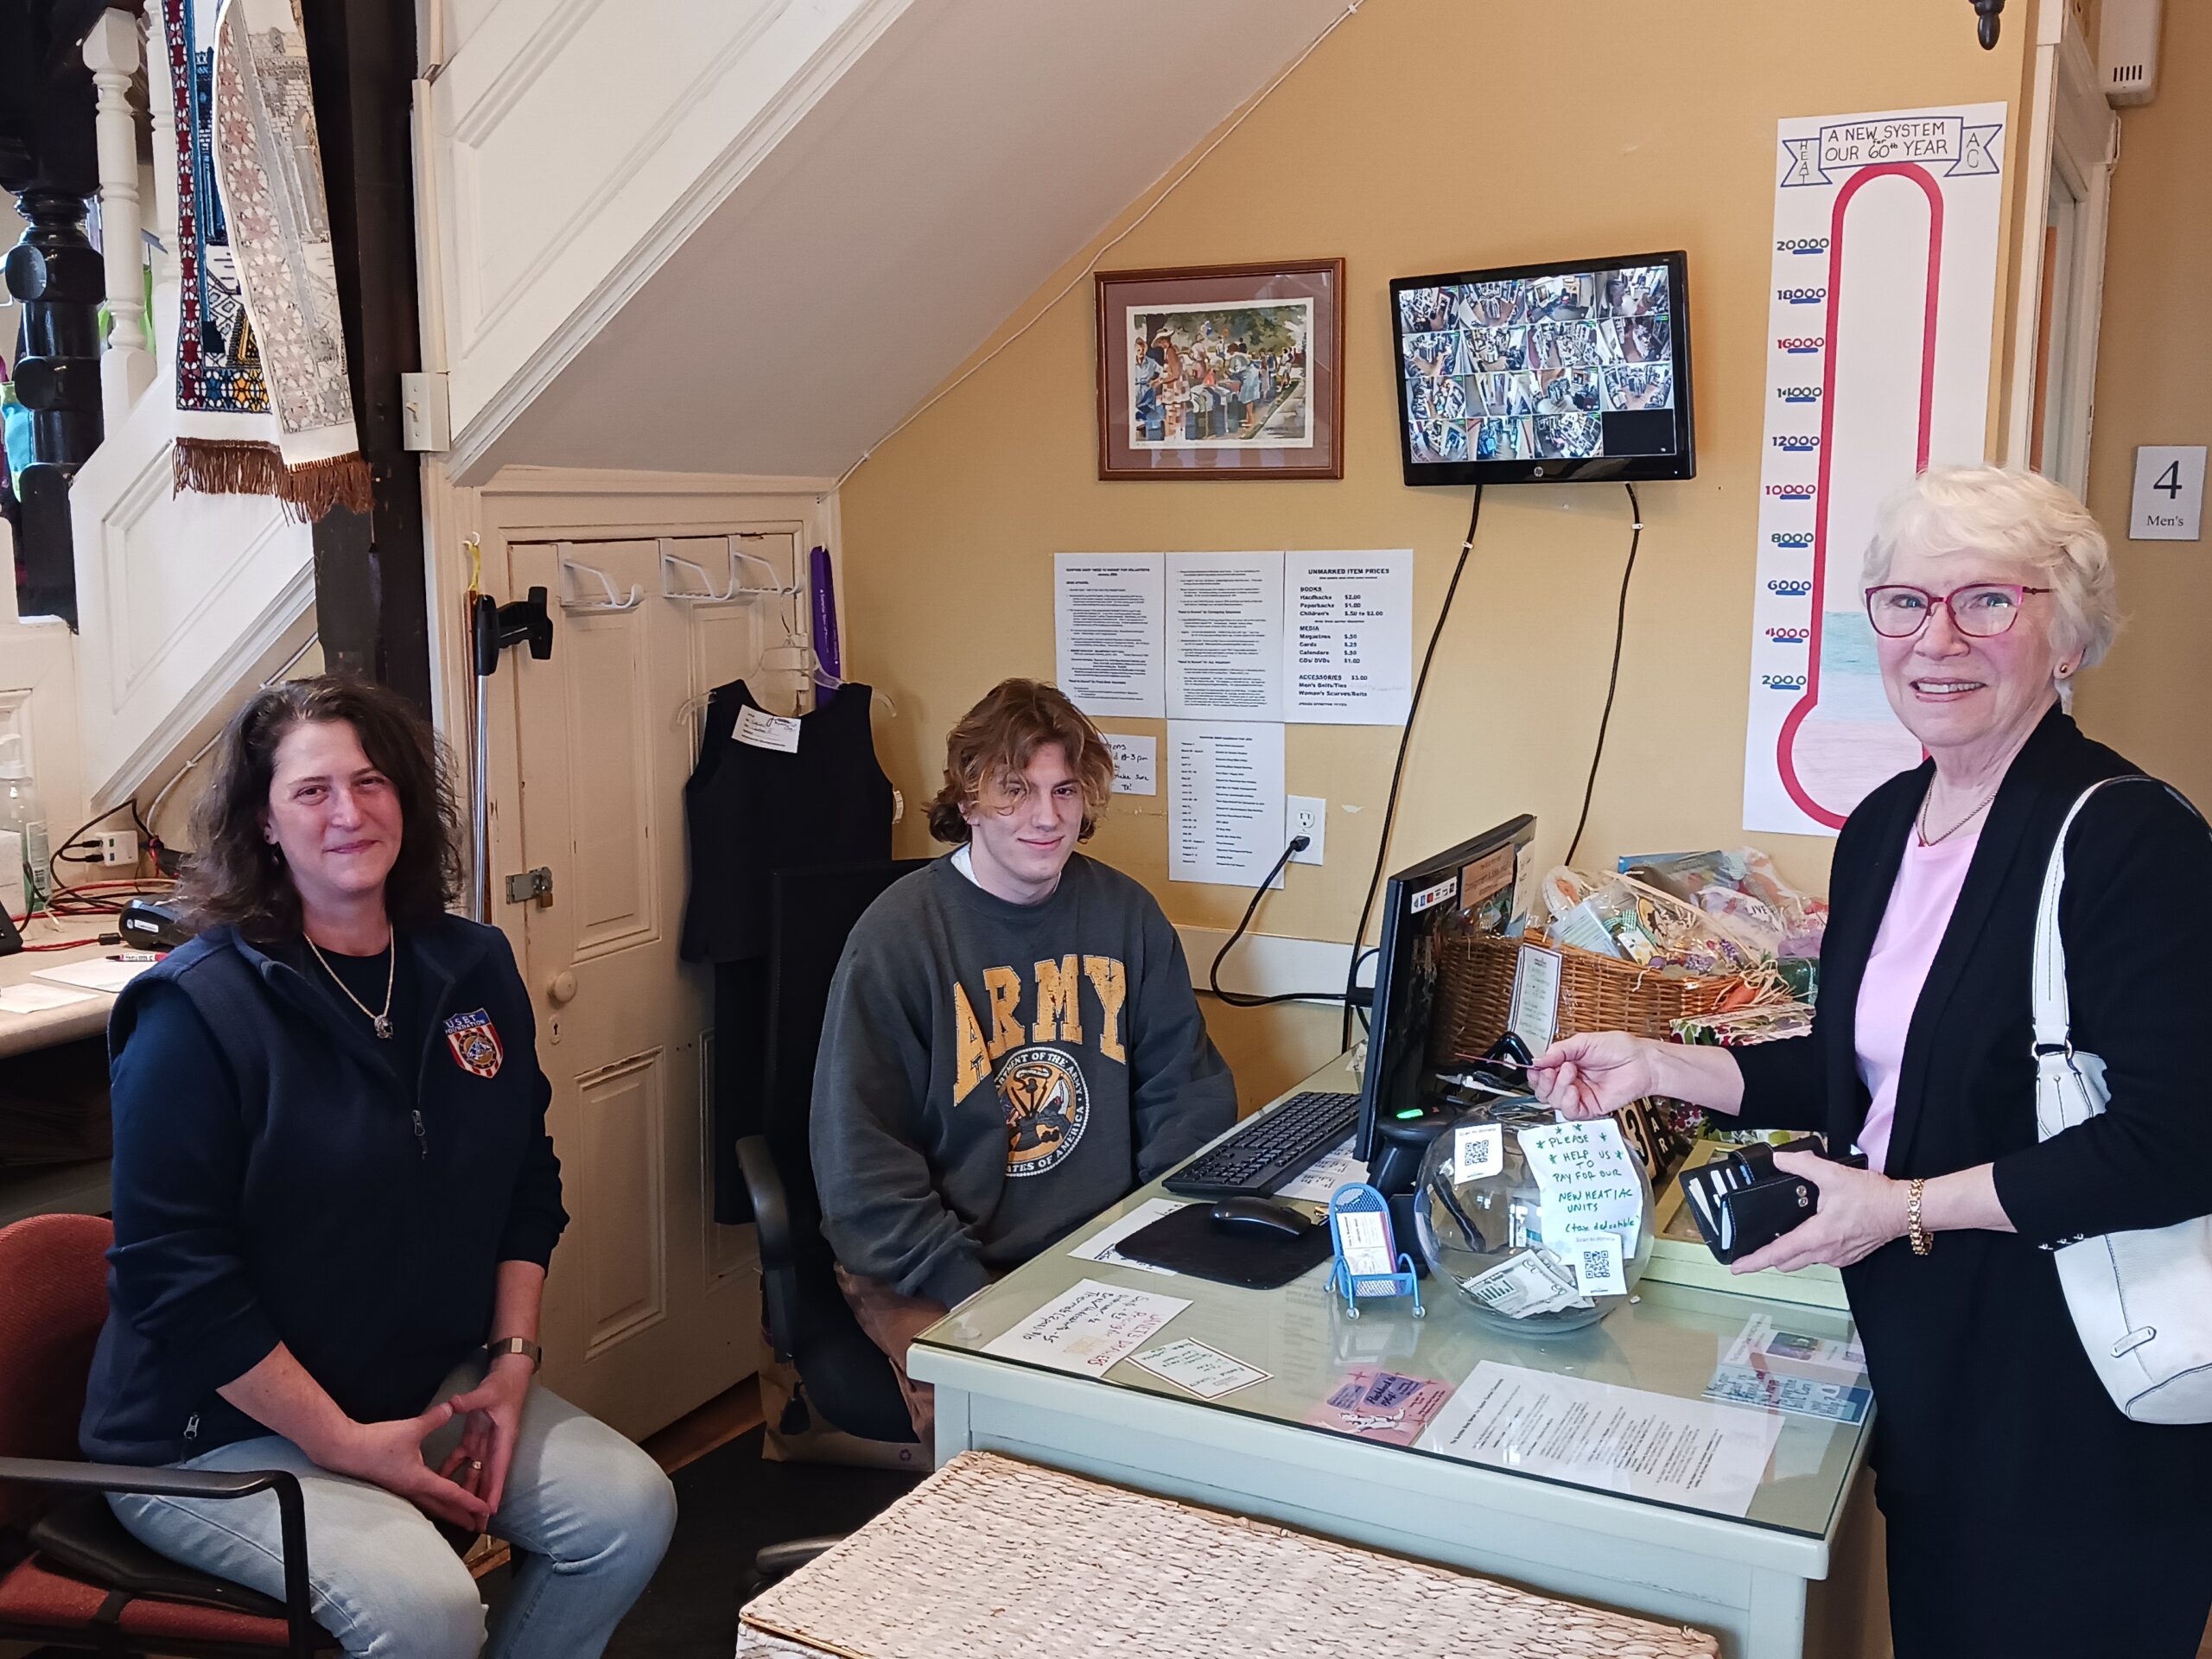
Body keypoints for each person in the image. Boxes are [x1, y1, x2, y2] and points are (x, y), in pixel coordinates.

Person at [1531, 466, 2212, 1659]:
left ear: (2069, 635)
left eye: (1988, 602)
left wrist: (1897, 1207)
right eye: (1904, 603)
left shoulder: (2132, 841)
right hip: (1931, 1362)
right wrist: (1662, 1064)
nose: (1936, 640)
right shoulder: (1891, 824)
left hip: (2076, 1402)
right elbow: (1867, 1075)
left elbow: (2179, 1144)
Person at [82, 677, 676, 1659]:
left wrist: (511, 1365)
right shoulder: (194, 1013)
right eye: (312, 792)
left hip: (413, 1381)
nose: (350, 813)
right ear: (264, 822)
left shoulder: (471, 965)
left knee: (628, 1512)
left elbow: (527, 1181)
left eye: (370, 782)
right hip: (209, 1434)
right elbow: (171, 1279)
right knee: (427, 1609)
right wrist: (339, 1441)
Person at [811, 679, 1236, 1445]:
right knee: (1005, 1443)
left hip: (1091, 1255)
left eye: (1064, 790)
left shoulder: (1125, 915)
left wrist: (1151, 1245)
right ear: (968, 803)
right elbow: (861, 1172)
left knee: (1189, 1408)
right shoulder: (898, 938)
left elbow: (1186, 1095)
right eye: (1017, 791)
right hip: (930, 1262)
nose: (1047, 817)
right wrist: (977, 1295)